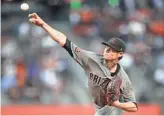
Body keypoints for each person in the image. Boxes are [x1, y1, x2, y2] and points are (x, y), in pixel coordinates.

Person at [28, 13, 138, 115]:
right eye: (107, 48)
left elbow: (133, 106)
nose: (107, 51)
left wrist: (117, 104)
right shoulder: (92, 59)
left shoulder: (122, 77)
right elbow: (63, 40)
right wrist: (44, 25)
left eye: (112, 50)